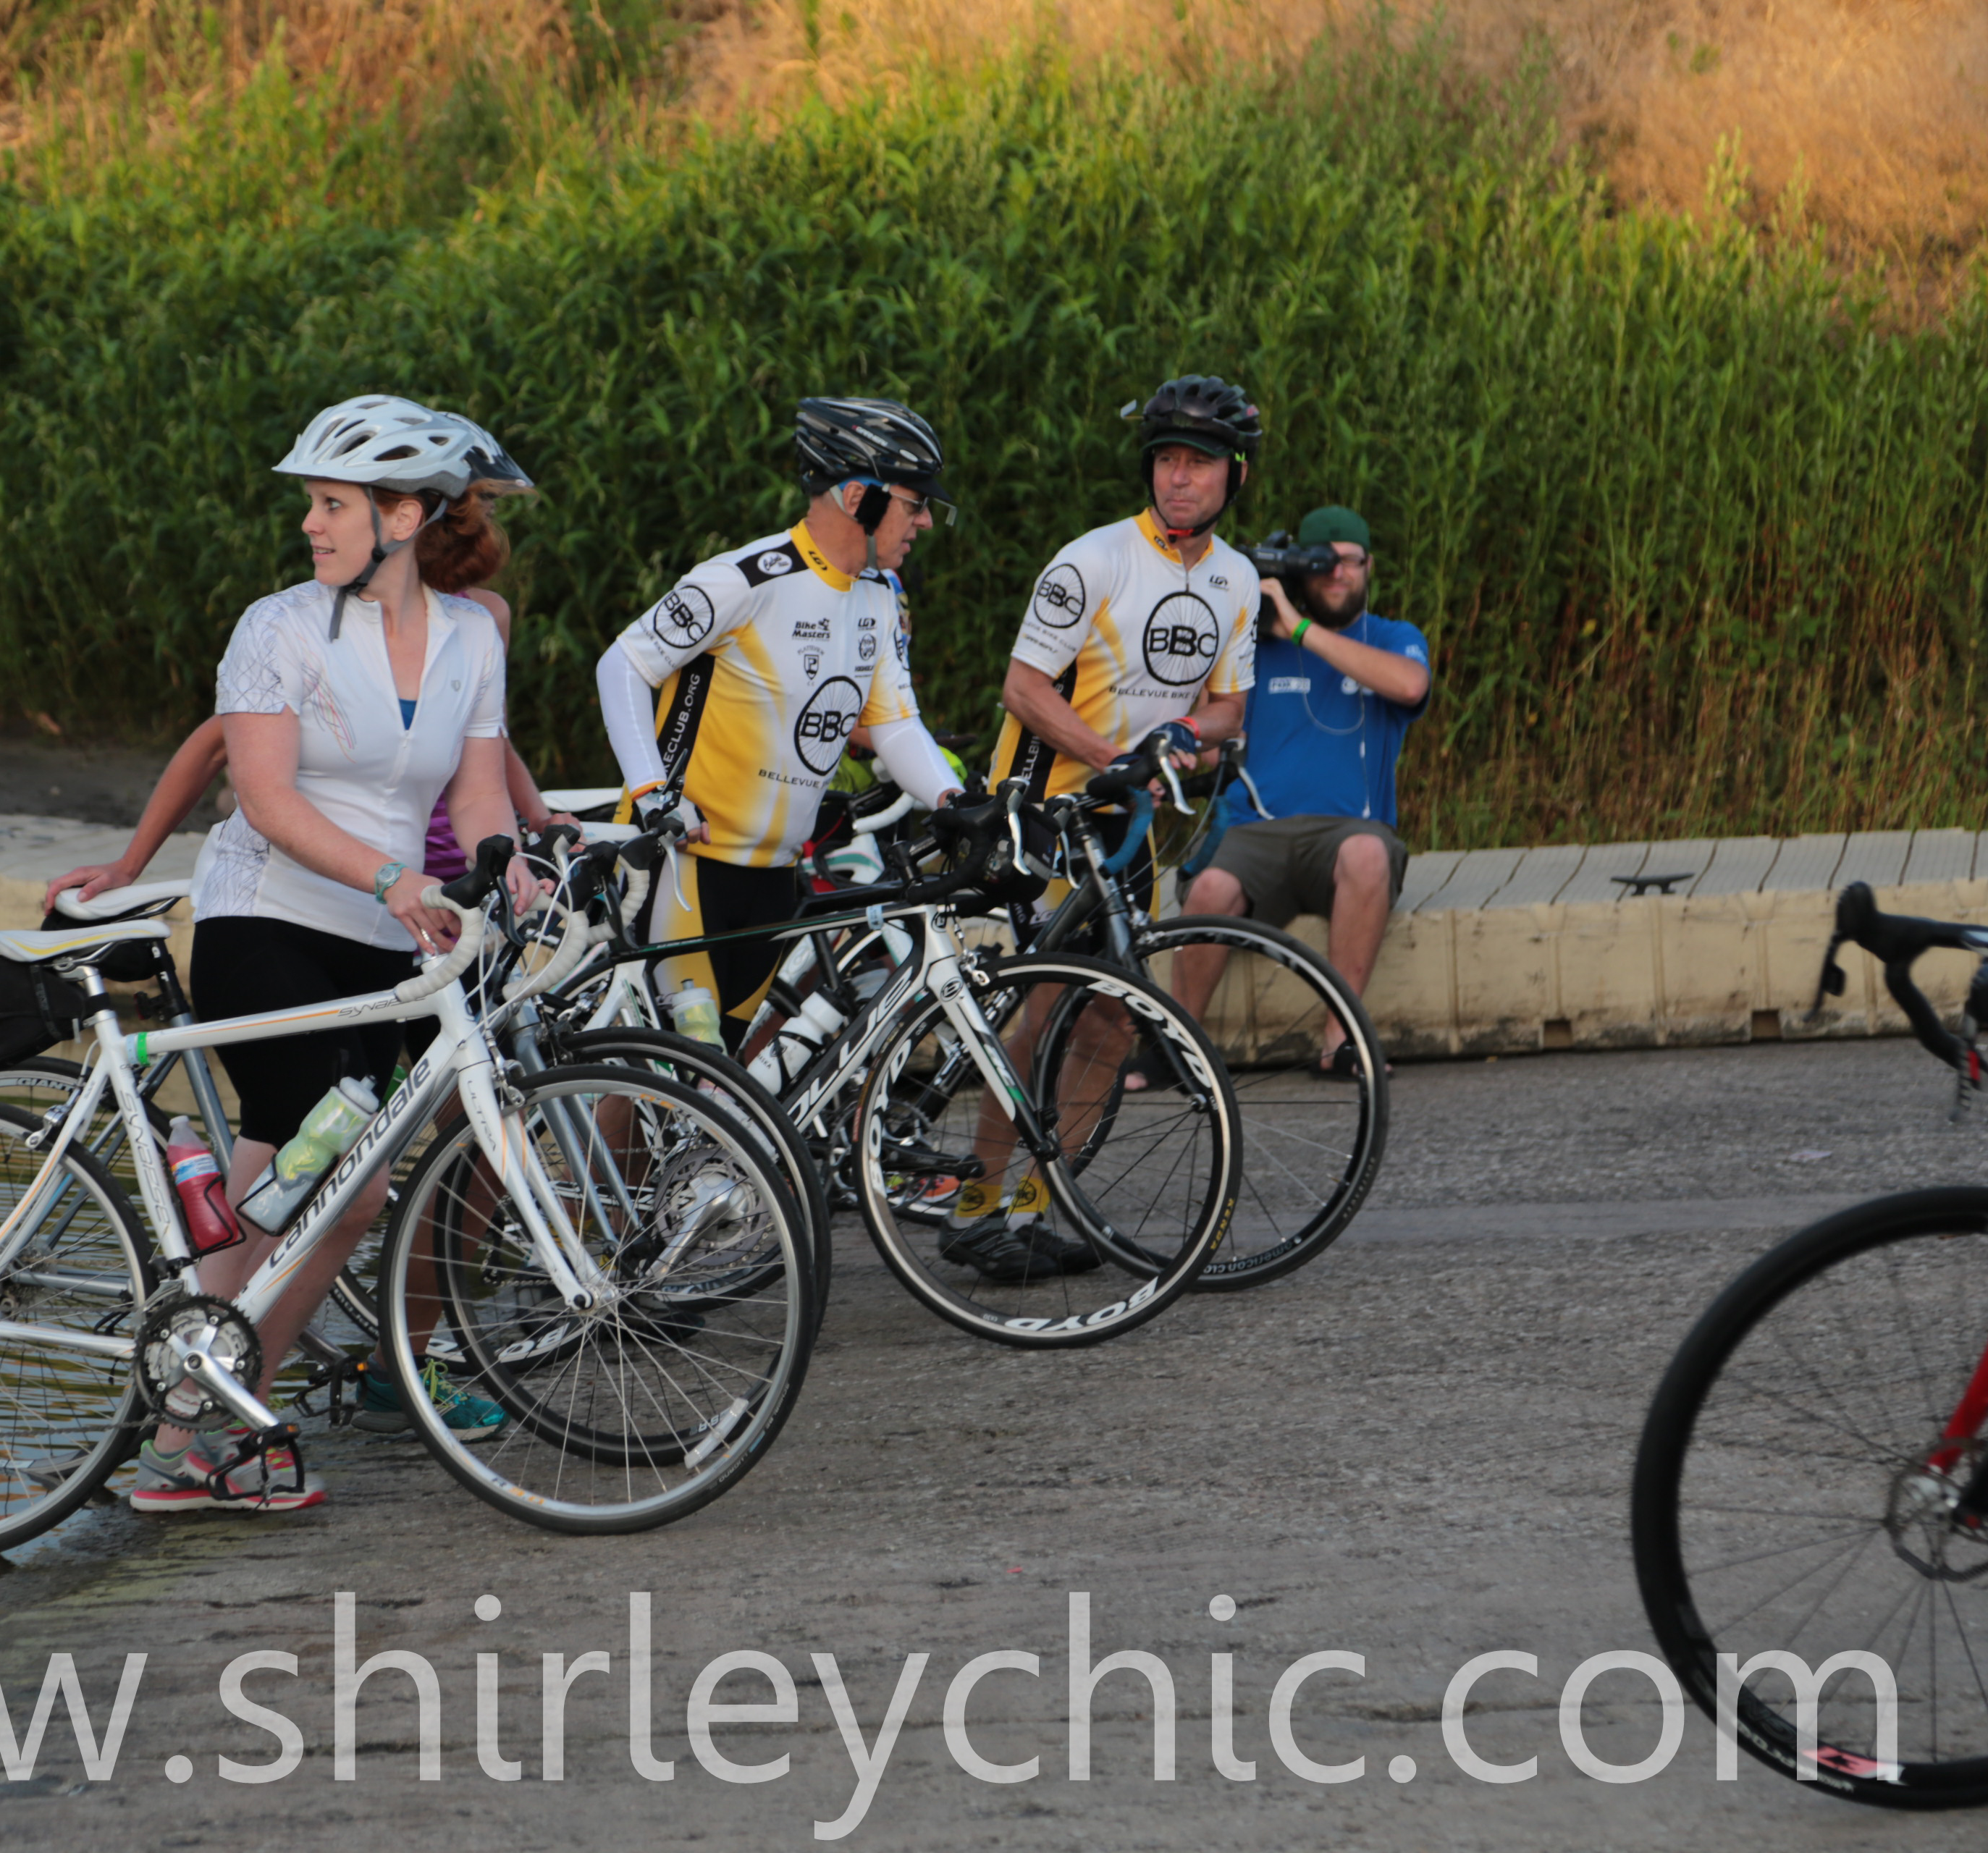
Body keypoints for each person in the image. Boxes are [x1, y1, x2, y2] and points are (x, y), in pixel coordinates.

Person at [127, 394, 535, 1516]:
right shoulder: (280, 628)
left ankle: (199, 1411)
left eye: (332, 504)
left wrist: (512, 865)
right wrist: (392, 879)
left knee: (286, 1179)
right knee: (343, 1190)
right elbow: (259, 799)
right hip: (266, 920)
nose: (311, 524)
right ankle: (195, 1429)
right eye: (312, 503)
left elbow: (476, 787)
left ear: (404, 516)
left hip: (386, 941)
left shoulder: (468, 639)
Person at [948, 376, 1261, 1276]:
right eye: (1166, 459)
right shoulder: (1091, 561)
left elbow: (1230, 708)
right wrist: (1109, 754)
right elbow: (1023, 687)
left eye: (1198, 463)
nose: (1178, 478)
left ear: (1234, 475)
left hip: (1124, 827)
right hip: (1044, 816)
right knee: (1048, 1009)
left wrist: (1184, 735)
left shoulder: (1236, 579)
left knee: (1113, 1027)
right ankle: (976, 1200)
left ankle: (1045, 1204)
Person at [44, 424, 560, 911]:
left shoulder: (481, 619)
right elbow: (217, 741)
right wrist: (131, 864)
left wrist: (533, 821)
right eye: (477, 502)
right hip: (350, 867)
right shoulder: (315, 620)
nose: (481, 517)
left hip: (459, 858)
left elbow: (489, 742)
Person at [594, 396, 966, 1047]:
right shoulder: (746, 579)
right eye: (915, 503)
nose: (926, 522)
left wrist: (956, 801)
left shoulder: (881, 598)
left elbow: (898, 725)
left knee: (713, 1083)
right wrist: (653, 794)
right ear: (858, 496)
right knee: (683, 1065)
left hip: (772, 876)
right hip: (684, 862)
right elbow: (621, 665)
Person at [1154, 501, 1431, 1077]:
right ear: (1297, 572)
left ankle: (1340, 1042)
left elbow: (1409, 686)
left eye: (1350, 563)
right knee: (1207, 890)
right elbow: (1208, 743)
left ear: (1369, 566)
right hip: (1259, 834)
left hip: (1350, 835)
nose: (1337, 574)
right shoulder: (1253, 650)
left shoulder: (1391, 637)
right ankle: (1176, 1050)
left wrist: (1302, 630)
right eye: (1322, 564)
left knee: (1367, 853)